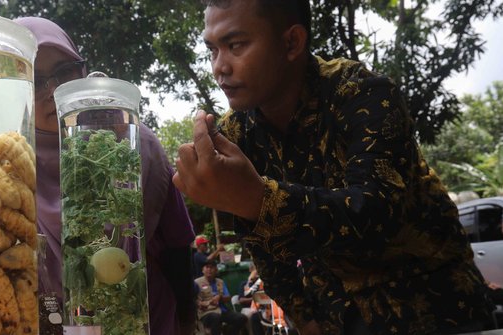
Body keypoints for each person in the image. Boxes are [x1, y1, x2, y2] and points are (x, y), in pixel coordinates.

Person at [172, 1, 494, 334]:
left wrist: (258, 200)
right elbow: (264, 250)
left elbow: (376, 210)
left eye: (235, 45)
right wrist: (304, 316)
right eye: (212, 50)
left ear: (292, 42)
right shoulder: (236, 135)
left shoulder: (362, 93)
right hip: (338, 317)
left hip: (436, 305)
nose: (219, 67)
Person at [15, 17, 197, 335]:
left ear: (82, 70)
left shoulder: (135, 144)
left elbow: (179, 248)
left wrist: (188, 324)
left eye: (63, 72)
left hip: (146, 322)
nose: (52, 90)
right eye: (34, 78)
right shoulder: (8, 166)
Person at [195, 260, 247, 335]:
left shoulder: (220, 282)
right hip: (206, 312)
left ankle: (228, 332)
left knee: (242, 318)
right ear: (203, 270)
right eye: (207, 267)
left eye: (212, 267)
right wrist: (202, 304)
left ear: (216, 270)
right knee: (216, 317)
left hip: (222, 311)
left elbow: (228, 297)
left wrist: (220, 297)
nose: (209, 270)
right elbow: (194, 301)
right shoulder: (197, 283)